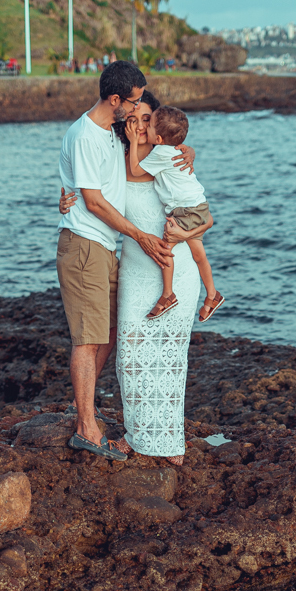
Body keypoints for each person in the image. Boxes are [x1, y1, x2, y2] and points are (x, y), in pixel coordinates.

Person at [60, 88, 207, 466]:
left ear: (157, 123)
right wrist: (64, 201)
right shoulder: (114, 159)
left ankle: (171, 441)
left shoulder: (172, 158)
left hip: (174, 271)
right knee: (131, 358)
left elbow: (201, 213)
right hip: (134, 271)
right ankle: (138, 436)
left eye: (146, 119)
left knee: (170, 361)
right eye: (133, 118)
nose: (139, 125)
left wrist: (188, 152)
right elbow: (86, 192)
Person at [128, 104, 223, 323]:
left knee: (165, 250)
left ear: (159, 138)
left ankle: (168, 295)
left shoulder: (160, 152)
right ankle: (212, 294)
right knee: (199, 255)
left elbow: (135, 170)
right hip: (198, 205)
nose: (145, 128)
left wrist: (133, 142)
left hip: (185, 210)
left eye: (149, 125)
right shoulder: (172, 149)